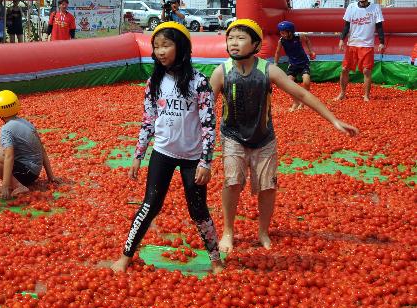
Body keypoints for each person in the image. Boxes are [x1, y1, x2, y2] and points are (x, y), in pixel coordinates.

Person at [210, 19, 358, 254]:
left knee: (268, 186)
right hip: (232, 137)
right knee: (232, 182)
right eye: (230, 38)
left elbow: (301, 93)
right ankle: (228, 231)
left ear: (256, 44)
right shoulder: (221, 72)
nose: (234, 43)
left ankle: (263, 231)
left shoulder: (268, 70)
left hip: (264, 138)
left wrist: (333, 120)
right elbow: (206, 109)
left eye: (240, 38)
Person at [111, 22, 223, 274]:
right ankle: (126, 256)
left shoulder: (199, 82)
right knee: (149, 205)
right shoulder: (154, 82)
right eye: (156, 46)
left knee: (198, 210)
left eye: (166, 45)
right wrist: (138, 155)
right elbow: (148, 119)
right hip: (162, 153)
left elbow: (208, 124)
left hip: (192, 157)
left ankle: (215, 260)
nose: (160, 51)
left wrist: (206, 161)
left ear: (181, 47)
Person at [0, 90, 58, 199]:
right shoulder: (25, 122)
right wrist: (51, 176)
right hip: (33, 170)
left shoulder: (6, 129)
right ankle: (13, 179)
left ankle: (18, 185)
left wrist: (5, 186)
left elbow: (9, 157)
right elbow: (42, 150)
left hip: (27, 174)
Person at [335, 0, 385, 102]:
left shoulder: (375, 8)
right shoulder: (351, 7)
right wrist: (342, 39)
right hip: (352, 44)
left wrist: (382, 42)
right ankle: (342, 93)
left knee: (367, 70)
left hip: (366, 45)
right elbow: (346, 25)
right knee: (344, 69)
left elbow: (379, 27)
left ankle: (366, 96)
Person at [273, 20, 317, 112]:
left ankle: (303, 102)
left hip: (304, 63)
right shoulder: (281, 41)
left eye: (283, 33)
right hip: (293, 64)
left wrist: (311, 51)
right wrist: (275, 63)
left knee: (306, 82)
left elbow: (307, 40)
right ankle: (295, 102)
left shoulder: (298, 37)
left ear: (290, 32)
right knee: (288, 83)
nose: (282, 34)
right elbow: (277, 52)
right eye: (280, 32)